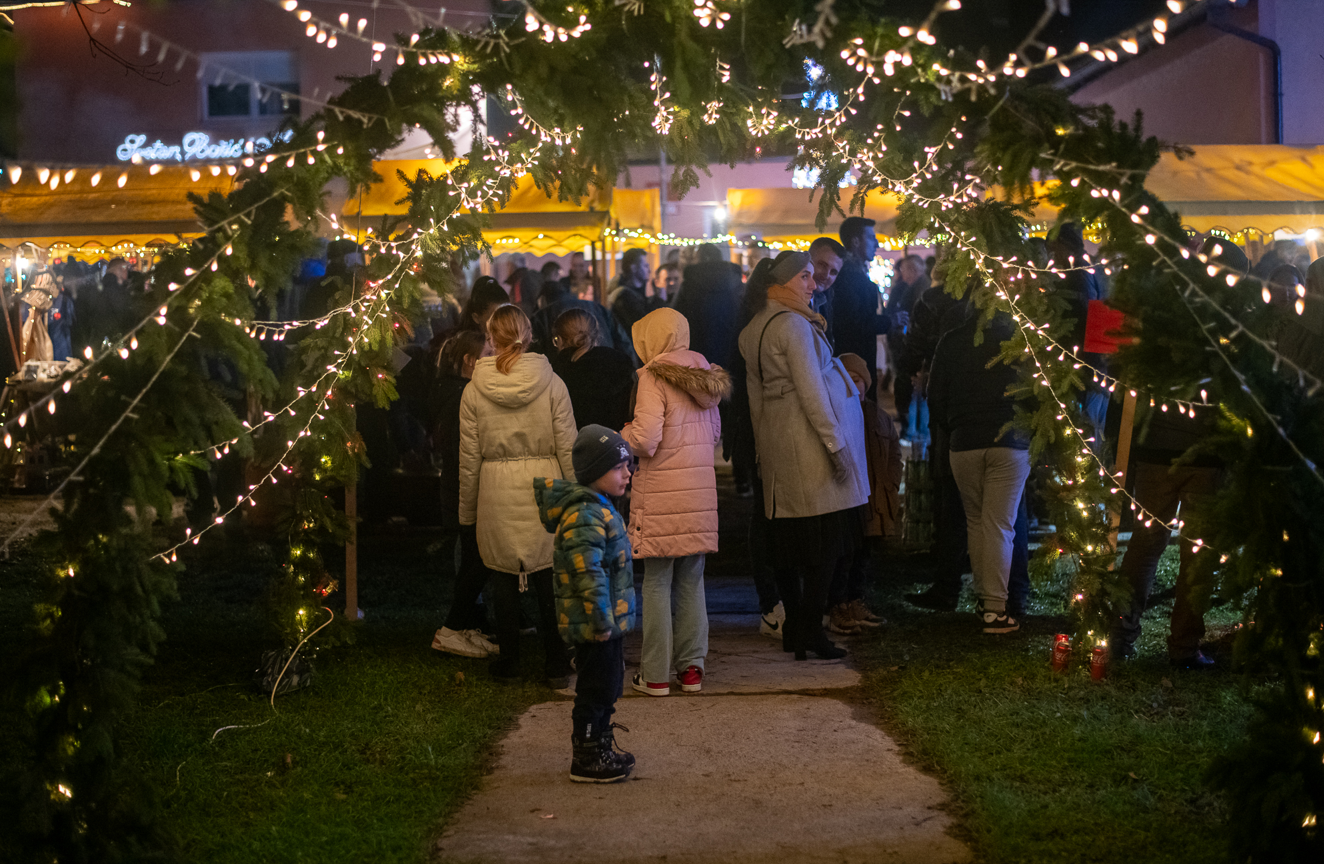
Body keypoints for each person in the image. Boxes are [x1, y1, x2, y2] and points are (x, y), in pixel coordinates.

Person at [1108, 238, 1244, 669]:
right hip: (1204, 453)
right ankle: (1183, 647)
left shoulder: (1162, 311)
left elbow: (1128, 367)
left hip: (1157, 448)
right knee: (1196, 554)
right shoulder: (1229, 319)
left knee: (1146, 545)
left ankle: (1120, 636)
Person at [738, 251, 870, 660]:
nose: (813, 285)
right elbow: (812, 392)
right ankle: (810, 631)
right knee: (822, 548)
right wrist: (837, 447)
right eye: (805, 277)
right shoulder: (793, 325)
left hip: (784, 447)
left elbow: (756, 400)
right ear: (780, 283)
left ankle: (798, 629)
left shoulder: (754, 327)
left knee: (791, 545)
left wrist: (764, 452)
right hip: (810, 449)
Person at [458, 304, 577, 687]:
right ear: (527, 334)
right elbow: (567, 445)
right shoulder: (553, 382)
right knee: (548, 574)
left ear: (492, 337)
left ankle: (509, 661)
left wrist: (467, 513)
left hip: (496, 488)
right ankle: (556, 661)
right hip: (546, 484)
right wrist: (577, 498)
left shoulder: (474, 390)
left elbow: (469, 458)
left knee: (503, 575)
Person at [622, 308, 728, 696]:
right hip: (698, 491)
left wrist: (623, 433)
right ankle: (691, 671)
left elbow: (646, 439)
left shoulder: (652, 376)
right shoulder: (707, 376)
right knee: (692, 580)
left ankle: (654, 675)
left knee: (656, 581)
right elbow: (714, 432)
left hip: (663, 493)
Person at [534, 425, 637, 783]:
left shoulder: (601, 509)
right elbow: (587, 574)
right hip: (596, 624)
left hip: (606, 622)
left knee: (608, 685)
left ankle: (602, 742)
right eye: (619, 467)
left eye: (629, 465)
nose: (628, 473)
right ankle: (588, 754)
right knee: (595, 689)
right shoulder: (585, 515)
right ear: (595, 473)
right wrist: (600, 620)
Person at [926, 301, 1029, 634]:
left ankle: (986, 600)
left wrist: (956, 424)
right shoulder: (1021, 337)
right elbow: (1037, 391)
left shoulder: (952, 340)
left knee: (975, 522)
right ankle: (995, 609)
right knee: (999, 524)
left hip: (963, 442)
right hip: (1010, 441)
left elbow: (935, 396)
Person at [429, 330, 500, 658]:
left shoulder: (449, 392)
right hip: (465, 489)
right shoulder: (461, 397)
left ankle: (463, 625)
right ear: (470, 362)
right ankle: (451, 629)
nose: (494, 360)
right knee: (479, 559)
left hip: (461, 488)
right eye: (487, 354)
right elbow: (462, 451)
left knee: (475, 558)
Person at [827, 352, 900, 634]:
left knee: (863, 557)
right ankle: (838, 604)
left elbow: (893, 452)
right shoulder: (836, 413)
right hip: (848, 500)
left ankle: (856, 600)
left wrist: (891, 483)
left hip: (873, 499)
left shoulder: (878, 417)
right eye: (848, 379)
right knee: (844, 556)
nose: (853, 385)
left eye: (858, 380)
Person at [831, 217, 904, 393]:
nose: (877, 243)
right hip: (853, 364)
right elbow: (853, 324)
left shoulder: (855, 273)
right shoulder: (848, 276)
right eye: (871, 237)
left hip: (857, 361)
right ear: (855, 241)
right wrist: (889, 321)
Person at [549, 308, 636, 431]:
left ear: (560, 340)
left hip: (578, 446)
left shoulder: (559, 374)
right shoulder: (620, 366)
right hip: (618, 444)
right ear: (596, 334)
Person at [888, 255, 929, 439]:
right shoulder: (919, 287)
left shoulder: (918, 290)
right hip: (918, 347)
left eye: (904, 270)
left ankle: (914, 432)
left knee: (914, 390)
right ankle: (918, 430)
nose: (902, 275)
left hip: (915, 349)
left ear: (912, 270)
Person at [529, 276, 621, 357]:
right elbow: (622, 340)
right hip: (605, 364)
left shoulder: (542, 316)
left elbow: (532, 350)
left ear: (542, 299)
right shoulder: (598, 308)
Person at [610, 248, 656, 362]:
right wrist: (655, 299)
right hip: (633, 358)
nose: (649, 270)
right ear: (633, 268)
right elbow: (646, 326)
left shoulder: (637, 293)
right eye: (645, 266)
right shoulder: (625, 297)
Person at [808, 237, 846, 348]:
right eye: (822, 265)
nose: (826, 275)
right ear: (807, 259)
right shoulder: (790, 299)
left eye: (833, 272)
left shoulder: (826, 300)